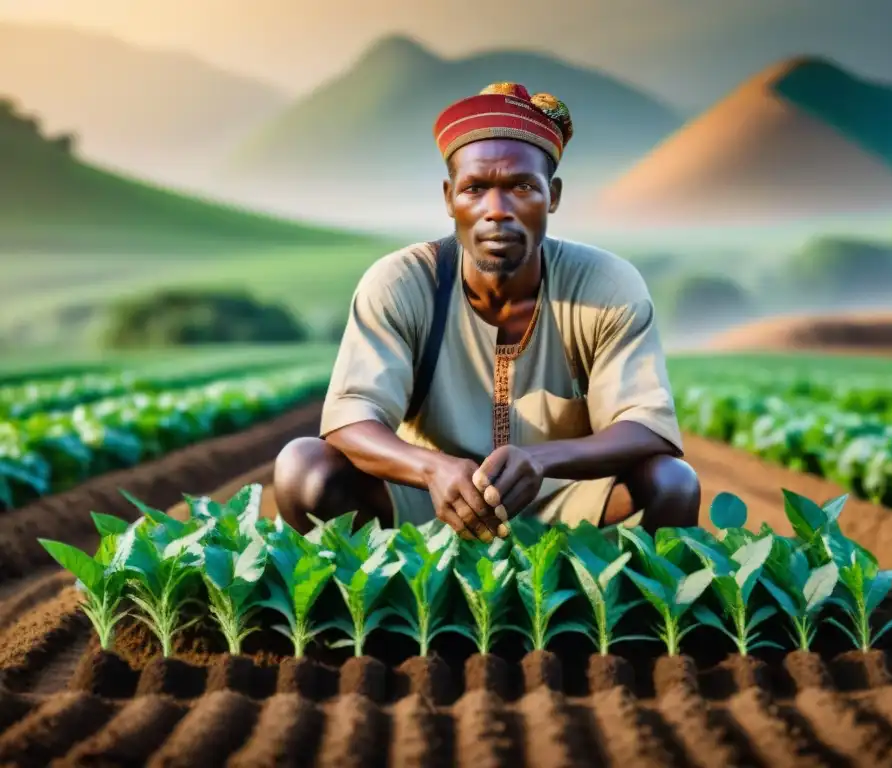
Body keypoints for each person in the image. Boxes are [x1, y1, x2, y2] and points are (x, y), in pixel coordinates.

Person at [274, 82, 700, 542]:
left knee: (671, 484)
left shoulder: (606, 284)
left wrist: (540, 460)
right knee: (304, 468)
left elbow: (646, 426)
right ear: (448, 198)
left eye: (521, 187)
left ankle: (615, 609)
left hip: (562, 502)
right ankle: (370, 609)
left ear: (552, 196)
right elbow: (350, 418)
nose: (496, 211)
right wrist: (433, 468)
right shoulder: (403, 281)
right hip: (427, 501)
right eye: (475, 188)